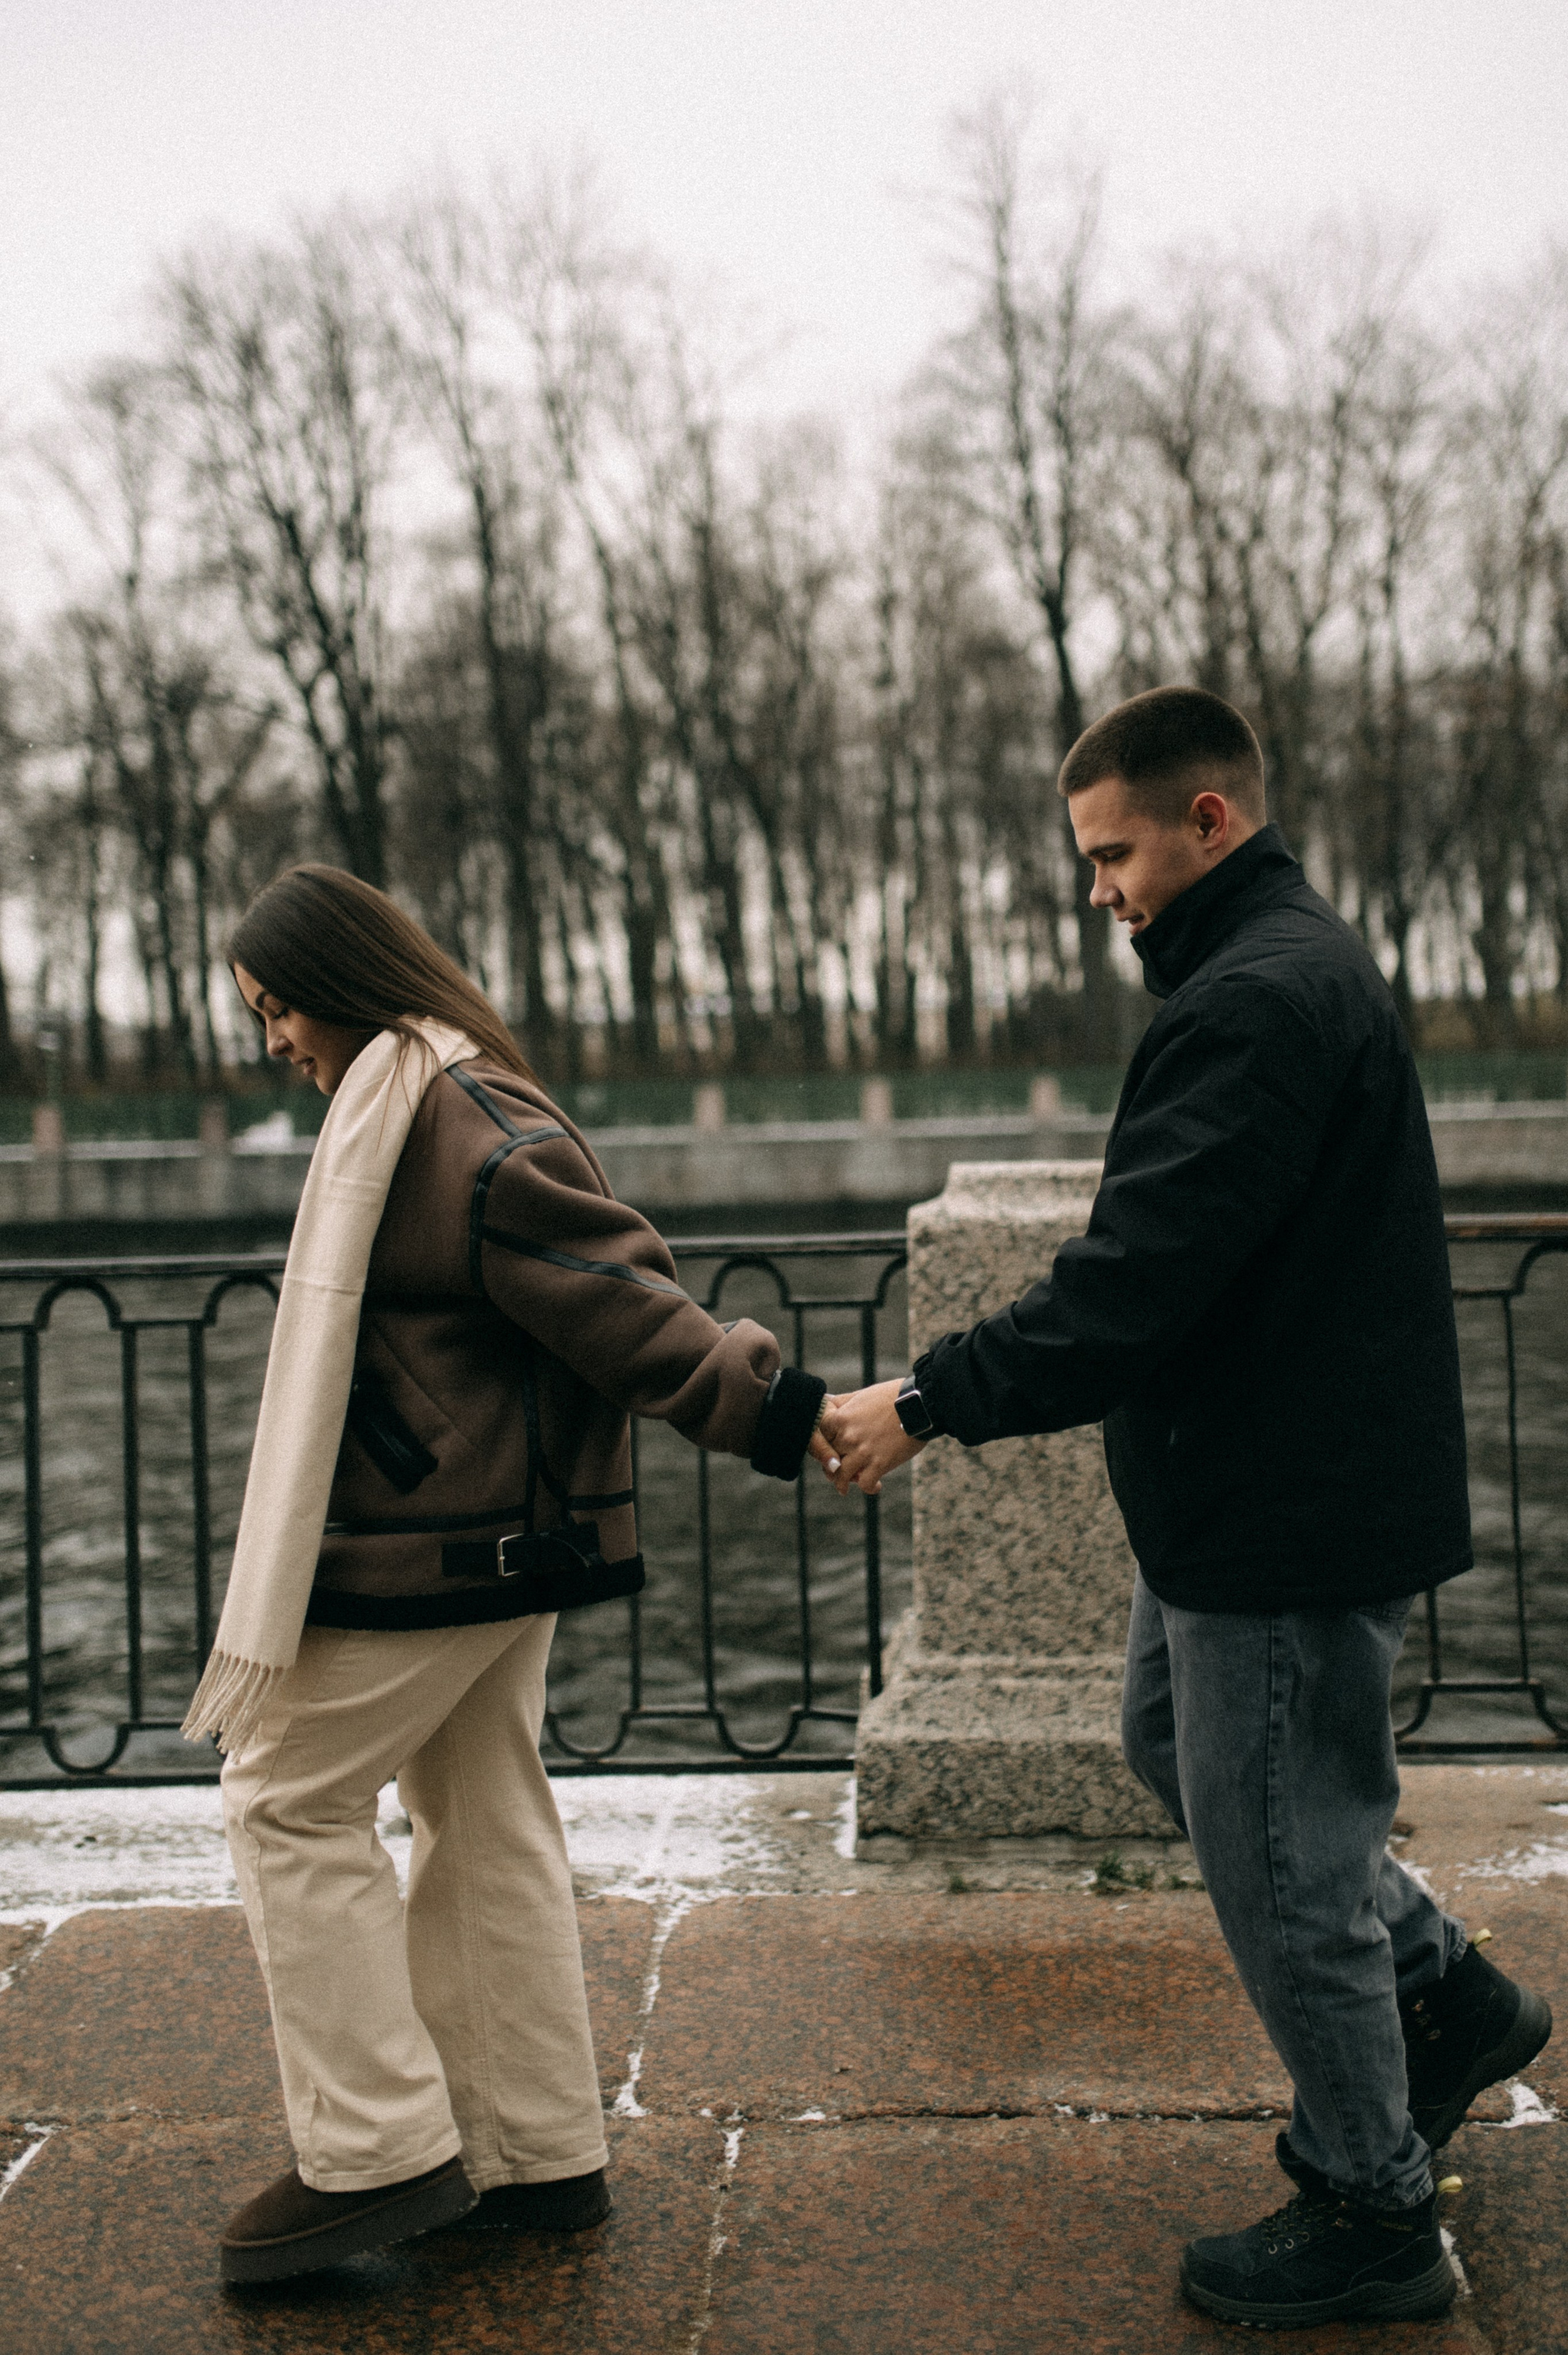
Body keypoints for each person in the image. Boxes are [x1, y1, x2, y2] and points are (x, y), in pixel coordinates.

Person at [821, 686, 1553, 2331]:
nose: (1099, 889)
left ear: (1207, 819)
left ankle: (1373, 2208)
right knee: (1186, 1755)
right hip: (1251, 1496)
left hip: (1280, 1516)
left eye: (1114, 851)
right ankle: (1450, 1997)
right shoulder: (1267, 969)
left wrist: (923, 1399)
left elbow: (1132, 1285)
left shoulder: (1256, 1002)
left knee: (1286, 1859)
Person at [189, 864, 831, 2285]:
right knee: (478, 1811)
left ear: (348, 985)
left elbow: (620, 1298)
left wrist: (774, 1409)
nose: (276, 1042)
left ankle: (372, 2149)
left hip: (448, 1546)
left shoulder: (457, 1122)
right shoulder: (431, 1102)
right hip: (488, 1530)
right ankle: (532, 2151)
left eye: (280, 1008)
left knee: (281, 1792)